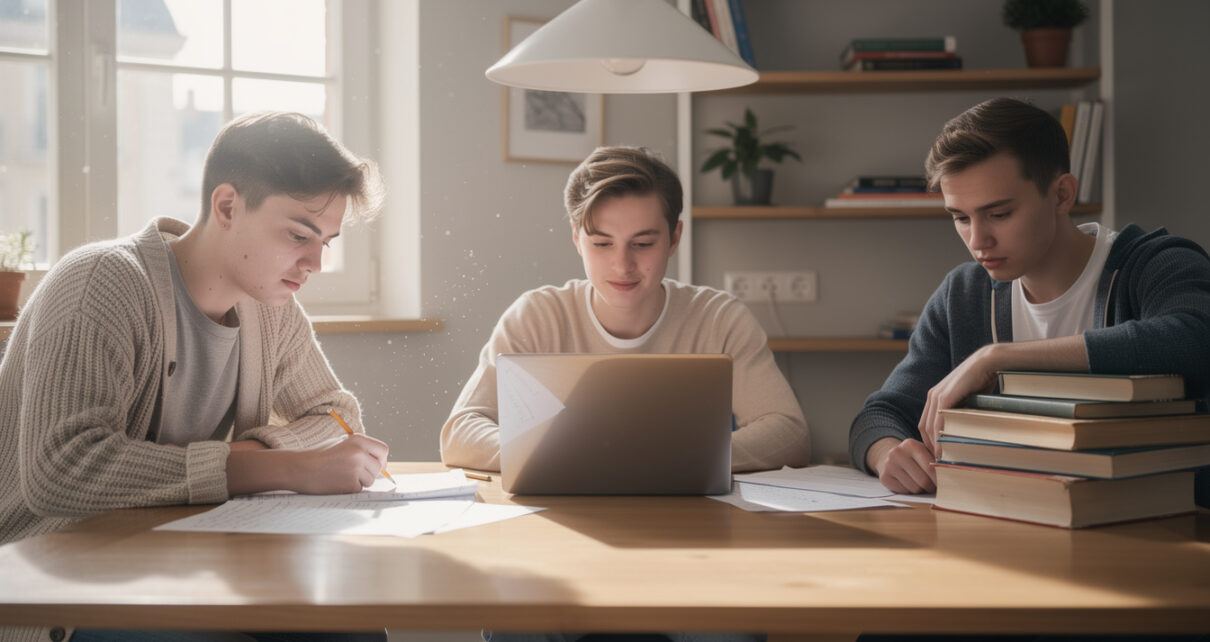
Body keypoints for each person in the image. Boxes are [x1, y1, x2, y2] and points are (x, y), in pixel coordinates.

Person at [0, 112, 389, 642]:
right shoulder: (101, 283)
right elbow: (61, 472)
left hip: (179, 558)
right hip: (56, 577)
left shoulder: (270, 309)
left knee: (351, 627)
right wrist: (283, 468)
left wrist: (250, 454)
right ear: (227, 206)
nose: (315, 263)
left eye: (326, 241)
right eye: (299, 234)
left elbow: (336, 414)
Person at [849, 97, 1210, 501]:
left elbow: (1195, 337)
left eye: (999, 214)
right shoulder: (963, 295)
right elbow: (878, 416)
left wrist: (999, 358)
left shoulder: (1154, 264)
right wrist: (887, 454)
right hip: (1010, 526)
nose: (977, 241)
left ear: (1062, 195)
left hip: (1166, 526)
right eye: (961, 218)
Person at [441, 145, 810, 476]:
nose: (622, 265)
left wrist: (679, 457)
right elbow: (461, 432)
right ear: (577, 240)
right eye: (602, 244)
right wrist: (564, 454)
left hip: (688, 516)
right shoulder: (535, 317)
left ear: (674, 239)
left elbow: (789, 432)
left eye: (643, 243)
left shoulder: (719, 318)